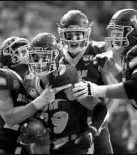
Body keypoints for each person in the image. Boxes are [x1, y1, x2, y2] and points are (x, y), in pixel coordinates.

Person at [72, 9, 137, 154]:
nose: (114, 38)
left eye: (118, 33)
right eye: (113, 33)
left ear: (134, 32)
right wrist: (114, 69)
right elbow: (135, 84)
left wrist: (95, 89)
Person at [26, 32, 108, 154]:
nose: (39, 63)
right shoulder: (30, 84)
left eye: (45, 57)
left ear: (57, 58)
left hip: (77, 145)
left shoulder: (66, 77)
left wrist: (91, 131)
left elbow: (100, 108)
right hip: (54, 147)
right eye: (35, 58)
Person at [57, 9, 119, 154]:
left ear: (86, 33)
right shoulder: (57, 57)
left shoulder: (97, 51)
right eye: (69, 35)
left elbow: (115, 93)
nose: (74, 39)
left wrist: (100, 121)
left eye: (78, 34)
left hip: (95, 122)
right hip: (67, 126)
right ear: (62, 34)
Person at [0, 36, 55, 154]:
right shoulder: (5, 75)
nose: (30, 55)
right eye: (24, 51)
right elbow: (9, 118)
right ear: (11, 57)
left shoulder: (29, 81)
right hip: (2, 143)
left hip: (19, 143)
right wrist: (41, 101)